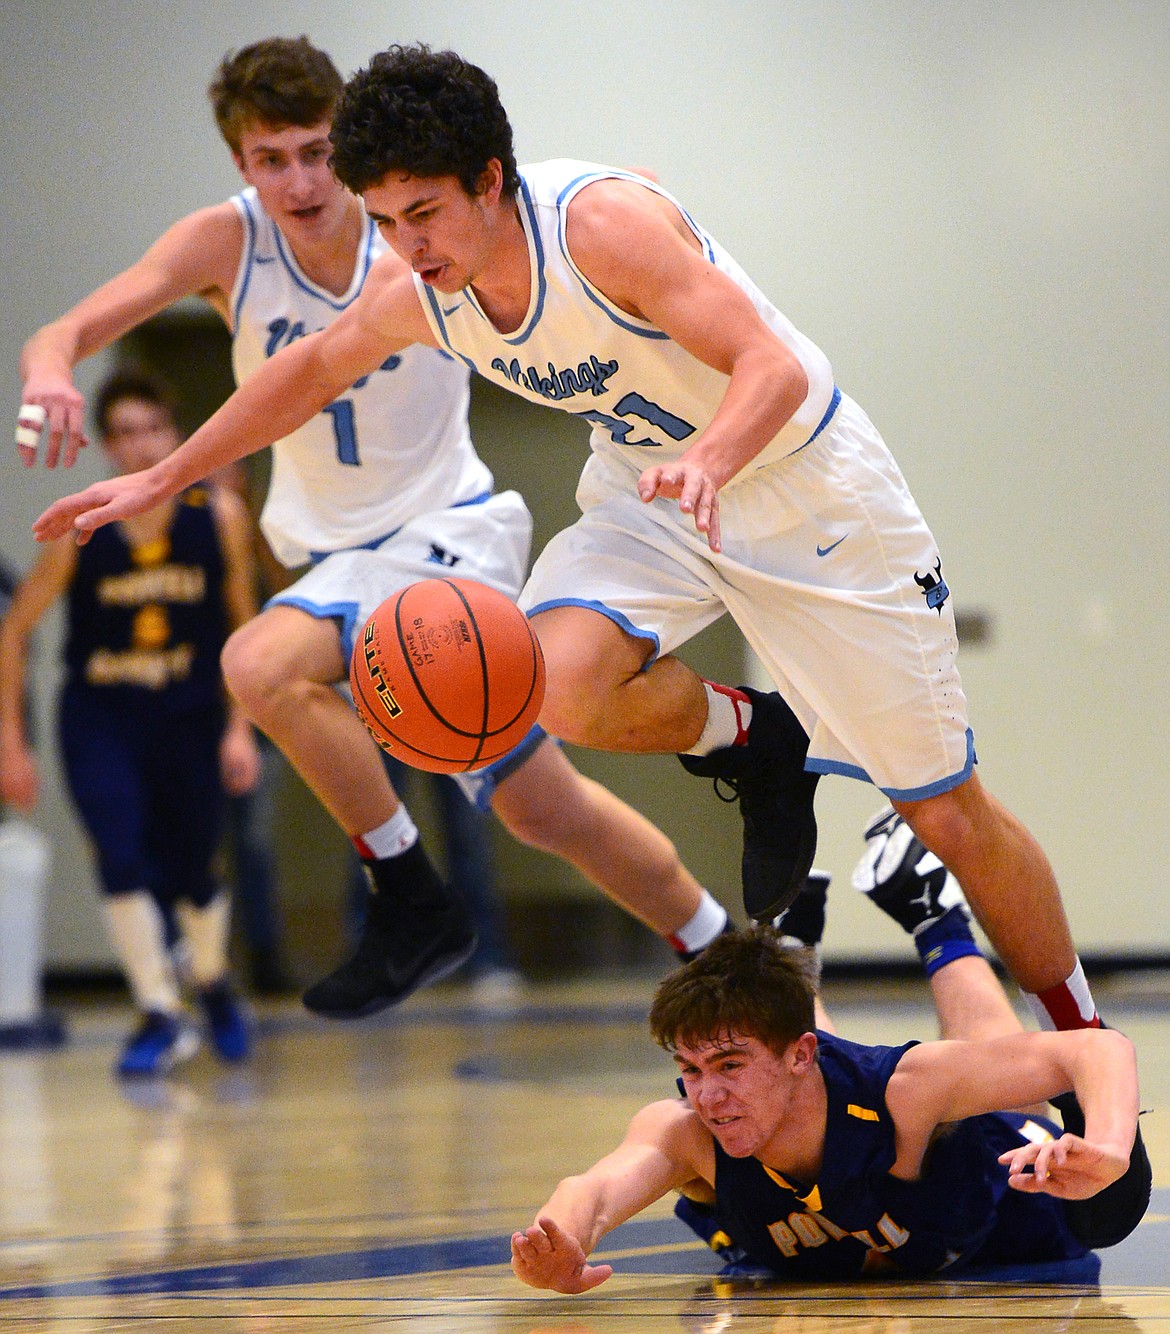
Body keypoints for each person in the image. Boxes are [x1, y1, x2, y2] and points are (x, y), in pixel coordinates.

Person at [24, 42, 1104, 1044]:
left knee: (945, 811)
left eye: (427, 213)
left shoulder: (600, 226)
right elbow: (306, 372)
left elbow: (769, 368)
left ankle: (1082, 1041)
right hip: (653, 492)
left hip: (801, 486)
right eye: (388, 220)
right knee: (554, 687)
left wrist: (713, 459)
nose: (408, 246)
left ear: (491, 180)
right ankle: (754, 738)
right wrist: (165, 474)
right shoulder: (425, 287)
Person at [16, 37, 751, 1022]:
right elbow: (59, 331)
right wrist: (51, 373)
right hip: (340, 553)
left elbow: (572, 199)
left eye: (317, 151)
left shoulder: (407, 225)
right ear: (241, 165)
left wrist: (637, 201)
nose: (301, 179)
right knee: (544, 806)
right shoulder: (224, 243)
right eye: (271, 158)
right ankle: (725, 944)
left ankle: (409, 896)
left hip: (446, 528)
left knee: (259, 663)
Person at [510, 837, 1146, 1291]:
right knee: (766, 1053)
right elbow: (590, 1192)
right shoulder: (688, 1132)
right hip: (848, 1224)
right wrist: (559, 1243)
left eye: (728, 1066)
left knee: (1008, 1092)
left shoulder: (901, 1091)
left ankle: (933, 912)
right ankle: (788, 952)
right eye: (691, 1068)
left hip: (994, 1228)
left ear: (801, 1054)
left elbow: (1096, 1049)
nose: (708, 1095)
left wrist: (1112, 1145)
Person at [0, 369, 257, 1075]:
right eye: (125, 433)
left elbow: (246, 627)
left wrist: (241, 729)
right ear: (107, 447)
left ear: (173, 433)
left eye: (152, 428)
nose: (141, 445)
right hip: (102, 715)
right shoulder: (81, 527)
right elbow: (13, 630)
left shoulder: (219, 516)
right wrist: (10, 741)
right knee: (120, 857)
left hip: (192, 710)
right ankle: (156, 1009)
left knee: (195, 868)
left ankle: (210, 981)